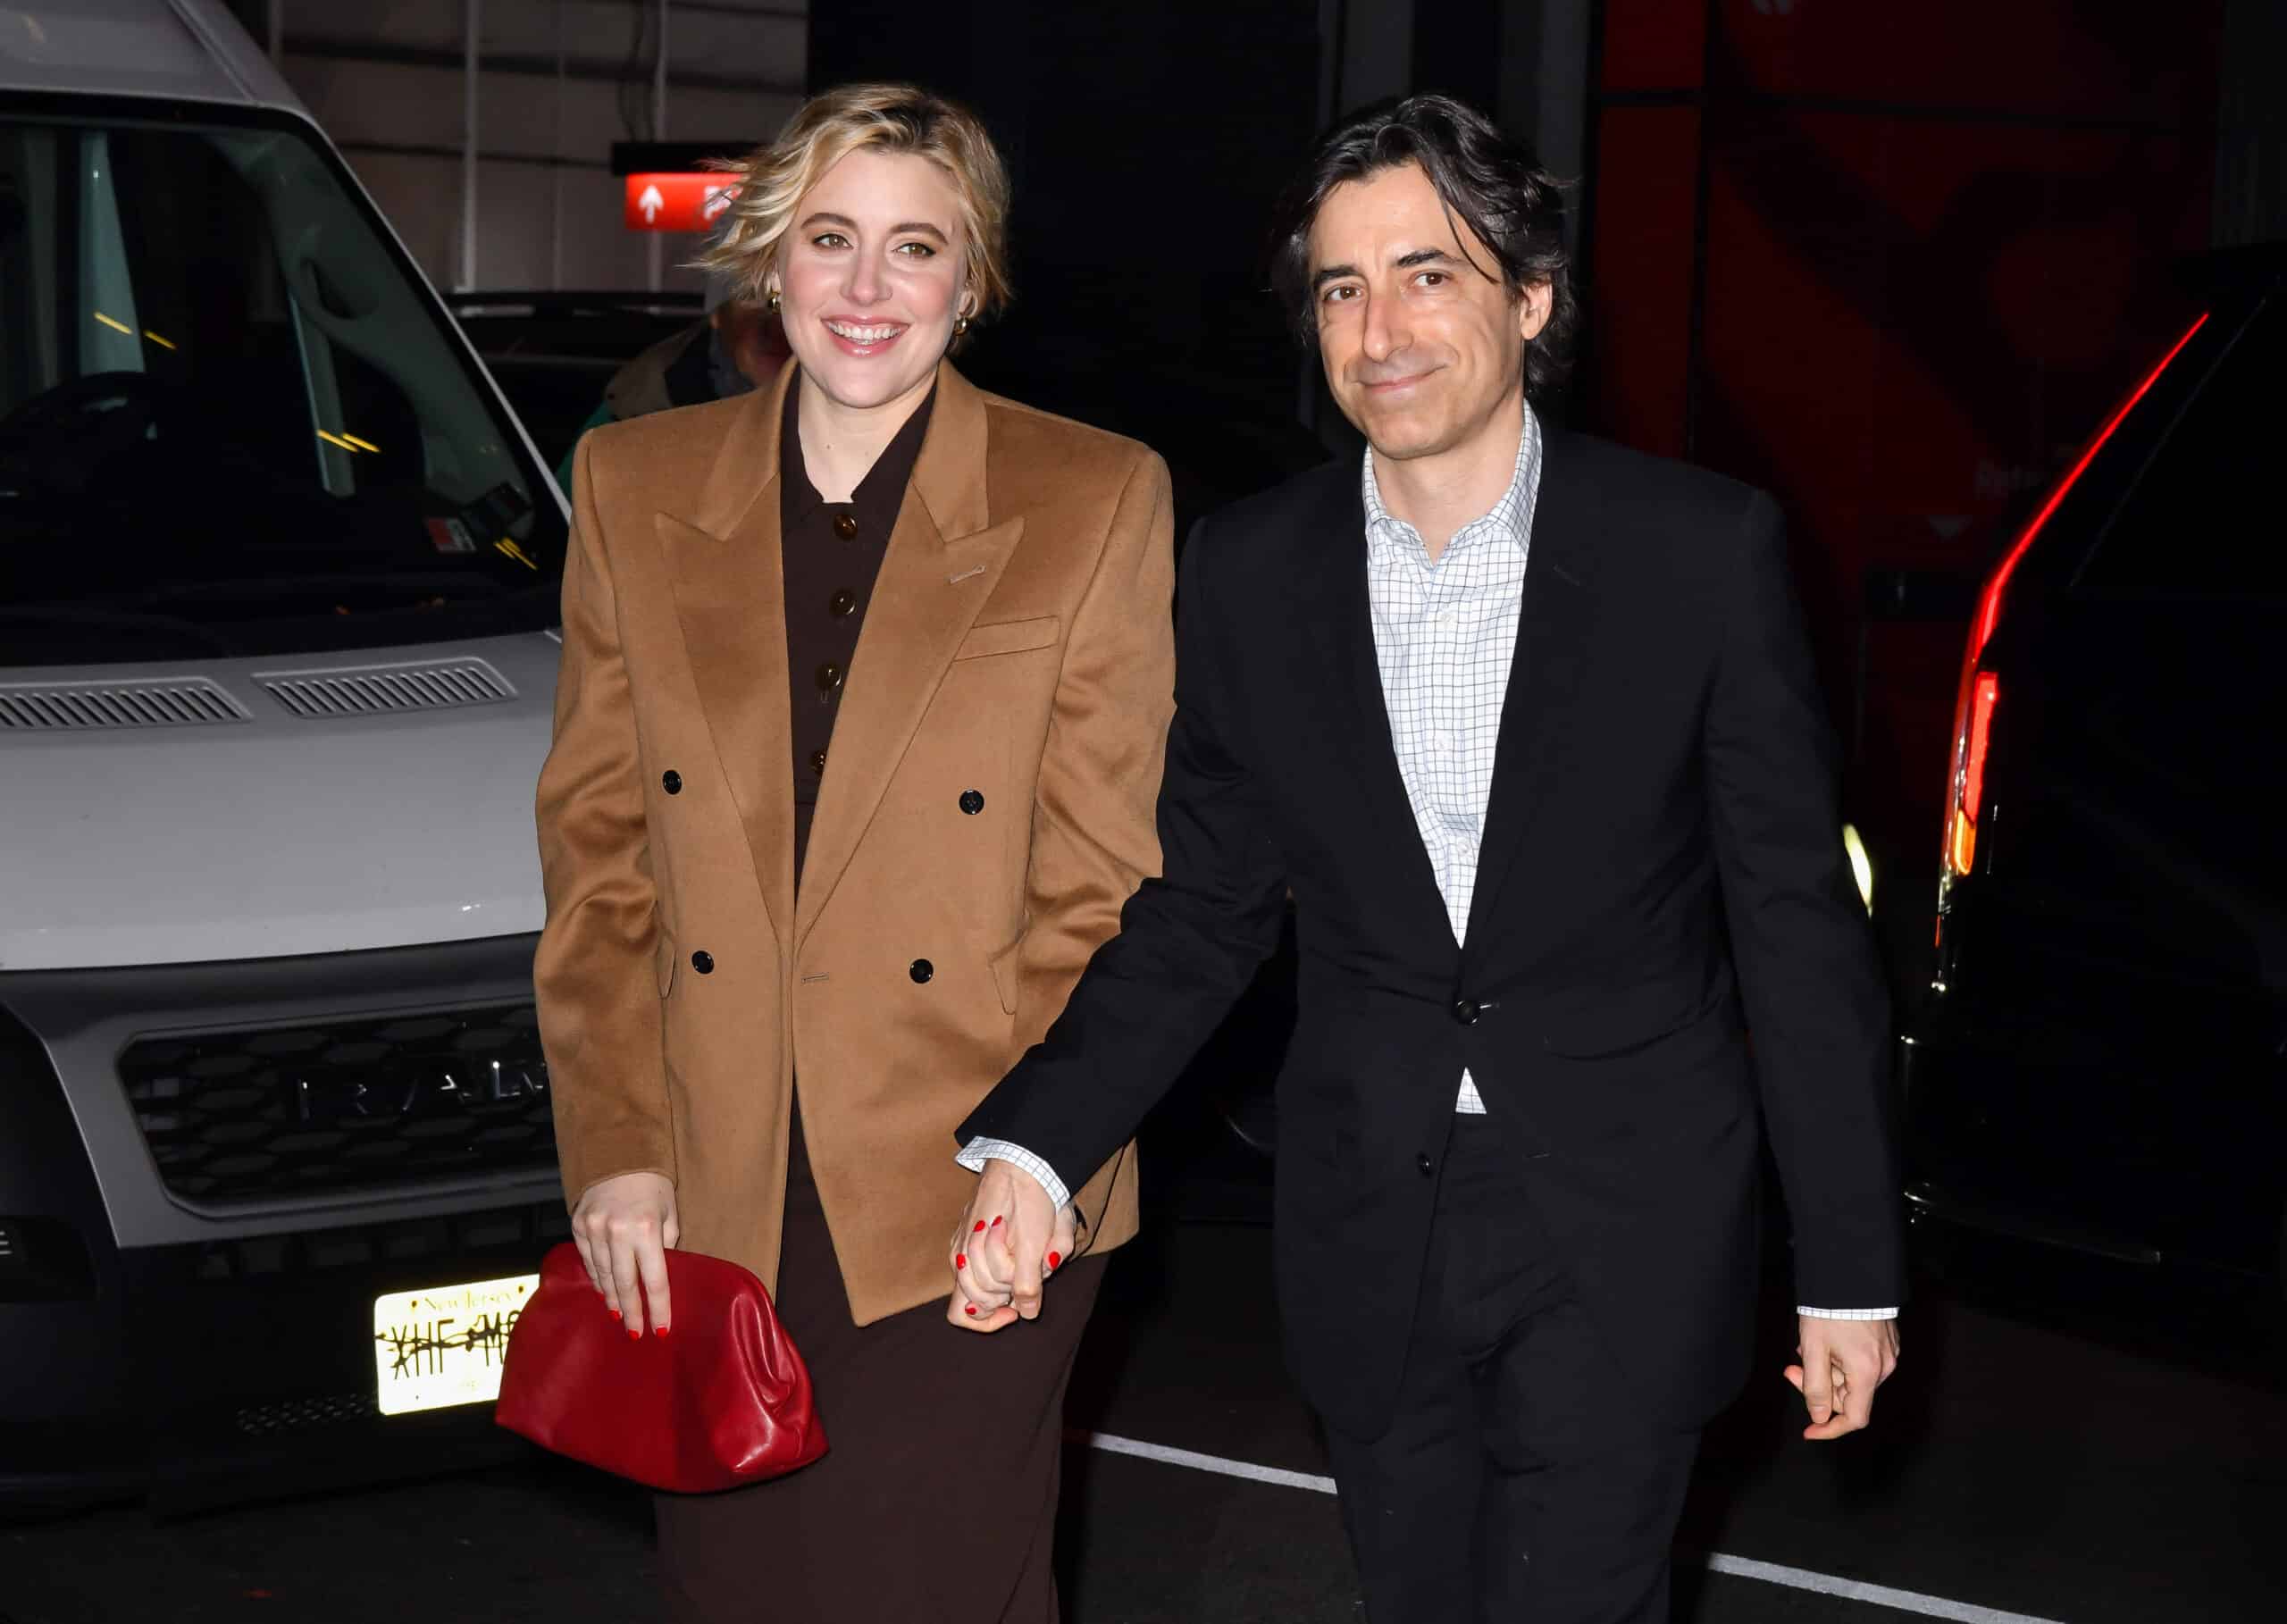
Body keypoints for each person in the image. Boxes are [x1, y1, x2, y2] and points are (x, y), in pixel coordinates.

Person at [949, 93, 1905, 1624]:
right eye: (1342, 286)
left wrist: (1849, 1262)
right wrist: (1038, 1143)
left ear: (1532, 298)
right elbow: (1203, 908)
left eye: (1428, 273)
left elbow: (1794, 924)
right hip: (1371, 1215)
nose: (1379, 327)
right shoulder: (1253, 570)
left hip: (1627, 1213)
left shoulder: (1696, 552)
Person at [532, 82, 1176, 1623]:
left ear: (974, 280)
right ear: (771, 260)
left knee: (937, 1582)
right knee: (733, 1586)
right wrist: (617, 1137)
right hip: (719, 1166)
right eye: (832, 239)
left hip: (973, 1169)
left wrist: (1039, 1154)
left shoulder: (1088, 494)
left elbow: (1107, 880)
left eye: (916, 247)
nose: (869, 289)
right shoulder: (637, 484)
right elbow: (598, 845)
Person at [551, 256, 792, 493]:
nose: (774, 320)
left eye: (789, 300)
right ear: (717, 316)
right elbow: (560, 521)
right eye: (751, 295)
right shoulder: (631, 422)